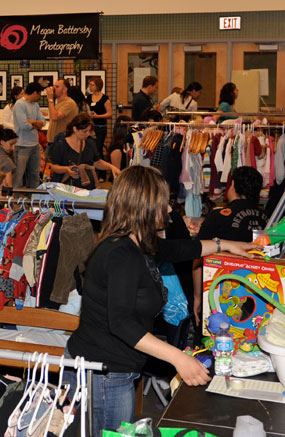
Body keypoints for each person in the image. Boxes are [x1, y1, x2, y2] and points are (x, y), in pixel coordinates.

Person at [66, 165, 261, 435]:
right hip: (103, 373)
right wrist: (178, 358)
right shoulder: (120, 254)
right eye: (164, 203)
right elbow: (120, 323)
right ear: (144, 205)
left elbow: (181, 248)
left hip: (116, 370)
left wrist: (226, 245)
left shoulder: (138, 242)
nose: (170, 210)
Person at [192, 166, 268, 327]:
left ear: (232, 185)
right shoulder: (269, 219)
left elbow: (198, 258)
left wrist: (198, 297)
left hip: (221, 294)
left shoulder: (218, 216)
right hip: (261, 296)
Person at [50, 113, 120, 190]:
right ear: (75, 129)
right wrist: (66, 169)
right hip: (66, 189)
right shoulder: (61, 145)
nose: (88, 134)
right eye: (85, 131)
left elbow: (97, 162)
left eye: (89, 131)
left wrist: (111, 167)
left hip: (88, 189)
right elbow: (53, 167)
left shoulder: (90, 143)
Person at [13, 82, 46, 188]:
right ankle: (16, 201)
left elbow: (43, 122)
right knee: (18, 175)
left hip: (35, 145)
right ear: (35, 93)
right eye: (40, 94)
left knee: (35, 175)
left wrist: (32, 122)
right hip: (22, 145)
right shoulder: (19, 104)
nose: (40, 96)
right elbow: (23, 126)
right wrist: (37, 124)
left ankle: (33, 200)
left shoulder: (35, 105)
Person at [45, 78, 78, 150]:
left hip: (62, 143)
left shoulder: (69, 103)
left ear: (65, 89)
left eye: (57, 87)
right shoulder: (57, 103)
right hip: (52, 142)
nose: (54, 89)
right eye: (54, 86)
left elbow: (54, 117)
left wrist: (50, 99)